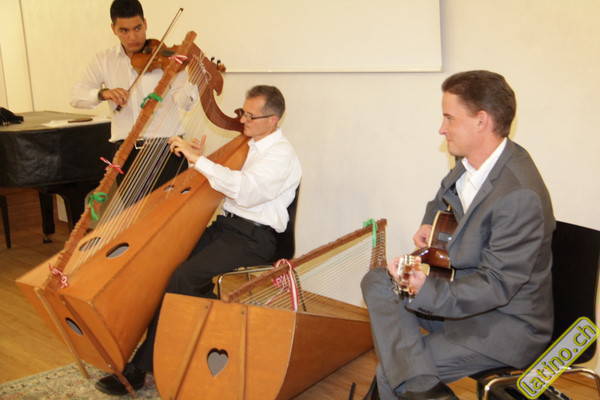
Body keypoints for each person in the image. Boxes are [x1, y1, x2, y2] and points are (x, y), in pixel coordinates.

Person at [94, 84, 302, 395]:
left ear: (273, 120)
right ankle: (208, 325)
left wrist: (200, 161)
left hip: (255, 237)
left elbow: (246, 192)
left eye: (250, 116)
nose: (242, 120)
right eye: (243, 112)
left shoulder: (280, 155)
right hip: (227, 228)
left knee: (184, 277)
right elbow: (225, 184)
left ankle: (144, 367)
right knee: (166, 266)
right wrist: (197, 161)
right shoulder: (251, 146)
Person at [361, 70, 555, 400]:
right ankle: (422, 388)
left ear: (481, 120)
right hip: (458, 296)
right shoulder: (469, 164)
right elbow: (441, 200)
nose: (442, 128)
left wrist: (424, 289)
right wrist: (429, 225)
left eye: (449, 118)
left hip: (502, 323)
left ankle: (413, 382)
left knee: (393, 373)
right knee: (378, 282)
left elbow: (496, 285)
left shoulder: (519, 195)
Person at [71, 0, 198, 188]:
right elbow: (76, 97)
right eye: (124, 30)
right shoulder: (103, 60)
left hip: (168, 149)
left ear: (145, 23)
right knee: (133, 208)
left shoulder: (167, 57)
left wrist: (192, 79)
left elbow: (185, 104)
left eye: (137, 28)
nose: (133, 37)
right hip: (126, 153)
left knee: (172, 207)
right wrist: (103, 93)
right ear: (113, 29)